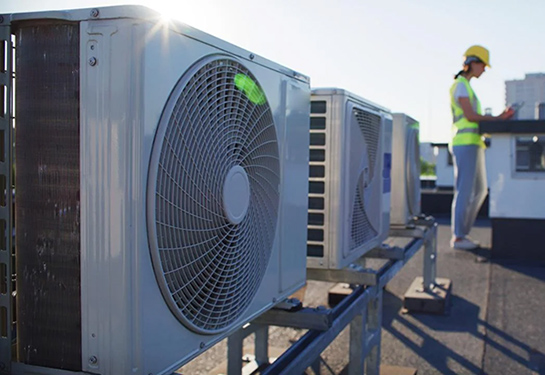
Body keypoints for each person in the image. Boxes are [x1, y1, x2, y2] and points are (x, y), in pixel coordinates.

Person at [449, 45, 514, 250]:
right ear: (472, 63)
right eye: (483, 65)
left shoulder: (465, 86)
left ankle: (462, 234)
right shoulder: (460, 85)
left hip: (473, 144)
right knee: (465, 191)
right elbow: (470, 116)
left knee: (479, 191)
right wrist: (497, 118)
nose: (484, 70)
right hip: (465, 144)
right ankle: (458, 237)